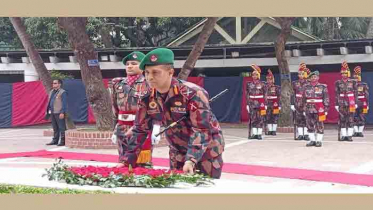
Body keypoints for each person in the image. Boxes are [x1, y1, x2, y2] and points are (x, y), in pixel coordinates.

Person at [120, 48, 225, 179]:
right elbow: (140, 129)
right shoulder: (147, 97)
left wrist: (191, 159)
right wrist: (127, 160)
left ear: (170, 72)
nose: (150, 77)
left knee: (205, 192)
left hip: (206, 152)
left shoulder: (192, 93)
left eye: (155, 72)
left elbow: (201, 129)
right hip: (177, 152)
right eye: (146, 72)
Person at [109, 51, 153, 167]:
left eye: (133, 63)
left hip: (140, 126)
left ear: (142, 66)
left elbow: (152, 107)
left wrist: (154, 126)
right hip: (122, 125)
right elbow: (114, 106)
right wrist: (115, 128)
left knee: (140, 161)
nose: (129, 66)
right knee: (122, 159)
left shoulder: (148, 83)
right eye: (127, 64)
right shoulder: (118, 84)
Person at [302, 71, 330, 147]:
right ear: (310, 78)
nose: (313, 78)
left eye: (315, 77)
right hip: (309, 108)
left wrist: (326, 109)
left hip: (319, 108)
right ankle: (312, 140)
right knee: (309, 124)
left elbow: (326, 98)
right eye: (312, 77)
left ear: (318, 77)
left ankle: (319, 141)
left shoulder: (323, 87)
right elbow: (303, 99)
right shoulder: (305, 87)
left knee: (319, 124)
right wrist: (304, 109)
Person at [335, 61, 358, 141]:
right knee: (342, 119)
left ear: (348, 73)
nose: (344, 75)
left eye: (345, 73)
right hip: (341, 102)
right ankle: (344, 135)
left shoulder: (353, 82)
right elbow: (337, 94)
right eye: (342, 73)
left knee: (350, 119)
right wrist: (336, 104)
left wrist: (356, 102)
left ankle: (349, 136)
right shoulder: (338, 82)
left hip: (350, 102)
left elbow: (356, 93)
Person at [246, 64, 267, 140]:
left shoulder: (263, 84)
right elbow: (247, 94)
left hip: (260, 103)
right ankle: (255, 134)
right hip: (252, 103)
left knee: (260, 118)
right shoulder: (249, 84)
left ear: (258, 75)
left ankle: (259, 134)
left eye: (255, 75)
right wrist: (247, 104)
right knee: (253, 118)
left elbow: (265, 94)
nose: (254, 76)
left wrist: (265, 104)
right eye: (253, 75)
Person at [46, 79, 68, 146]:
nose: (53, 84)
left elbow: (64, 104)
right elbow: (50, 102)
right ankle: (55, 140)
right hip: (52, 112)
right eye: (53, 83)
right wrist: (48, 111)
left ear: (59, 84)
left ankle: (63, 141)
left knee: (62, 127)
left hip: (59, 112)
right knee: (55, 128)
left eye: (55, 83)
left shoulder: (63, 92)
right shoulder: (51, 91)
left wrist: (62, 112)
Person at [291, 63, 310, 140]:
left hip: (306, 103)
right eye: (299, 74)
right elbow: (292, 94)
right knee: (298, 119)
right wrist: (292, 103)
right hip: (297, 102)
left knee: (306, 119)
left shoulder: (308, 83)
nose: (300, 75)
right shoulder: (295, 83)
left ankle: (306, 134)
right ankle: (300, 134)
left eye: (302, 74)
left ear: (305, 74)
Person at [352, 66, 369, 137]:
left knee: (362, 117)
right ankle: (356, 131)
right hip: (353, 102)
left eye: (357, 76)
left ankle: (360, 132)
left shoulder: (363, 85)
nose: (356, 77)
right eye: (355, 76)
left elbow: (366, 95)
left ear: (359, 76)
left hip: (362, 102)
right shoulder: (350, 85)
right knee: (353, 117)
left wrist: (367, 104)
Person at [265, 69, 281, 135]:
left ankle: (274, 130)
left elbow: (280, 96)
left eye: (270, 79)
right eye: (268, 79)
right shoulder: (264, 87)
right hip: (267, 104)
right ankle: (270, 130)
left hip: (275, 104)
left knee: (275, 117)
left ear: (273, 80)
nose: (269, 81)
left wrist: (280, 105)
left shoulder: (277, 87)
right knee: (268, 117)